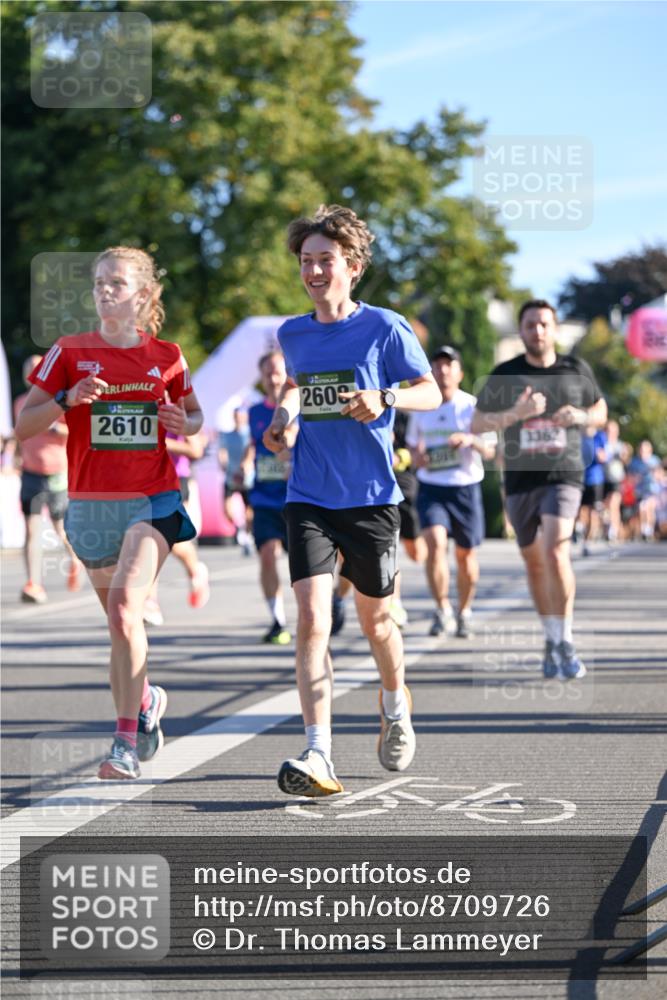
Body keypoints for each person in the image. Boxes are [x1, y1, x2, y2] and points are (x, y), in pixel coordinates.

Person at [262, 204, 441, 797]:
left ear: (353, 266)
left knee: (378, 622)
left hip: (370, 499)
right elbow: (295, 383)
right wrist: (284, 418)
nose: (314, 271)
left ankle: (395, 702)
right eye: (307, 261)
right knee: (312, 619)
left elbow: (430, 391)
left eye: (326, 261)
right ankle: (319, 753)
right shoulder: (293, 332)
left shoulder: (385, 327)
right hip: (308, 494)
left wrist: (384, 396)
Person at [15, 246, 203, 780]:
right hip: (92, 508)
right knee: (120, 629)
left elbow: (195, 418)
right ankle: (145, 702)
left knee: (125, 610)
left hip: (153, 500)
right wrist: (69, 398)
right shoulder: (70, 351)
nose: (104, 291)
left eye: (116, 283)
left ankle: (122, 743)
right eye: (99, 282)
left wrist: (181, 422)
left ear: (142, 295)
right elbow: (26, 425)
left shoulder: (167, 355)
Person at [472, 299, 607, 680]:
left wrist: (581, 416)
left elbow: (601, 411)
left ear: (555, 328)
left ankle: (565, 639)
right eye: (531, 325)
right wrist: (518, 414)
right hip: (520, 478)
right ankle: (550, 637)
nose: (538, 331)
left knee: (556, 549)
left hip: (564, 474)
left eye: (544, 324)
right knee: (534, 562)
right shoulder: (506, 374)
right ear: (522, 330)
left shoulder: (575, 369)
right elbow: (478, 424)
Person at [407, 345, 496, 638]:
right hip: (432, 487)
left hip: (465, 488)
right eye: (437, 365)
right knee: (434, 543)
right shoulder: (423, 407)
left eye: (449, 365)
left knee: (465, 556)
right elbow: (413, 446)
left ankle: (464, 611)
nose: (442, 370)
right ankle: (442, 608)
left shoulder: (472, 406)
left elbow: (491, 449)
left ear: (459, 372)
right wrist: (418, 457)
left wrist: (470, 440)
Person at [13, 355, 82, 602]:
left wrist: (54, 428)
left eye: (37, 368)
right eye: (29, 369)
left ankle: (74, 559)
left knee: (60, 528)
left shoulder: (60, 401)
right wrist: (17, 456)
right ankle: (33, 583)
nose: (33, 373)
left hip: (56, 473)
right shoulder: (21, 402)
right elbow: (21, 432)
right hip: (30, 472)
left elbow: (76, 430)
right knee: (31, 530)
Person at [243, 350, 296, 645]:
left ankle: (320, 611)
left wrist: (292, 453)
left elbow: (299, 435)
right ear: (262, 379)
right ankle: (277, 620)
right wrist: (244, 462)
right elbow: (254, 444)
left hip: (297, 497)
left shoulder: (297, 406)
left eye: (278, 372)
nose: (273, 378)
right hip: (264, 497)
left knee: (303, 563)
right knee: (267, 554)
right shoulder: (254, 412)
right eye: (268, 373)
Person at [143, 430, 210, 625]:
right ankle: (150, 601)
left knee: (167, 541)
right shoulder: (139, 404)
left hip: (175, 480)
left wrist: (158, 442)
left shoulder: (177, 405)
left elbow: (195, 449)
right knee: (148, 541)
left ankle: (195, 570)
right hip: (145, 479)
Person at [218, 407, 253, 554]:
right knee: (227, 510)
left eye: (242, 416)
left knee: (249, 510)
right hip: (231, 477)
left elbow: (252, 451)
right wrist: (223, 463)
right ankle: (239, 528)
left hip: (247, 479)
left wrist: (246, 464)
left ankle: (247, 535)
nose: (239, 419)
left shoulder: (250, 435)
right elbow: (222, 452)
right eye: (237, 416)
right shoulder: (226, 435)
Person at [627, 439, 661, 540]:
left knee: (649, 508)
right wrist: (635, 478)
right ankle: (644, 529)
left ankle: (649, 529)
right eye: (641, 450)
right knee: (642, 508)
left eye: (645, 450)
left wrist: (655, 475)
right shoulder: (635, 462)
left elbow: (660, 474)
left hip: (652, 490)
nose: (643, 452)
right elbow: (630, 476)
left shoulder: (654, 460)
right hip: (640, 491)